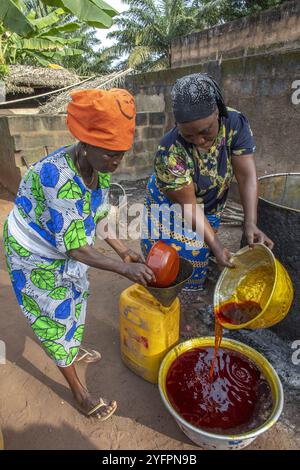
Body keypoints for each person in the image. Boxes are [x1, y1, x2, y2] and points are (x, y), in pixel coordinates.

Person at [3, 88, 155, 420]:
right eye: (109, 154)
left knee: (75, 295)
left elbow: (98, 215)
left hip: (62, 246)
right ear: (85, 144)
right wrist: (122, 269)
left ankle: (72, 346)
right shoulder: (58, 179)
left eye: (121, 154)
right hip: (32, 253)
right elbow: (74, 248)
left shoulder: (97, 167)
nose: (115, 163)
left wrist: (124, 251)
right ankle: (80, 393)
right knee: (53, 318)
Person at [141, 73, 273, 297]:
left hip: (208, 203)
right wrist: (217, 246)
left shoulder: (234, 124)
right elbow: (189, 207)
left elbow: (246, 176)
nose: (199, 141)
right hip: (172, 205)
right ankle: (173, 299)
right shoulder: (170, 150)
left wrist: (250, 223)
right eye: (189, 135)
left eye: (205, 131)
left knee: (199, 251)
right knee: (170, 262)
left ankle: (188, 298)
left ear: (218, 112)